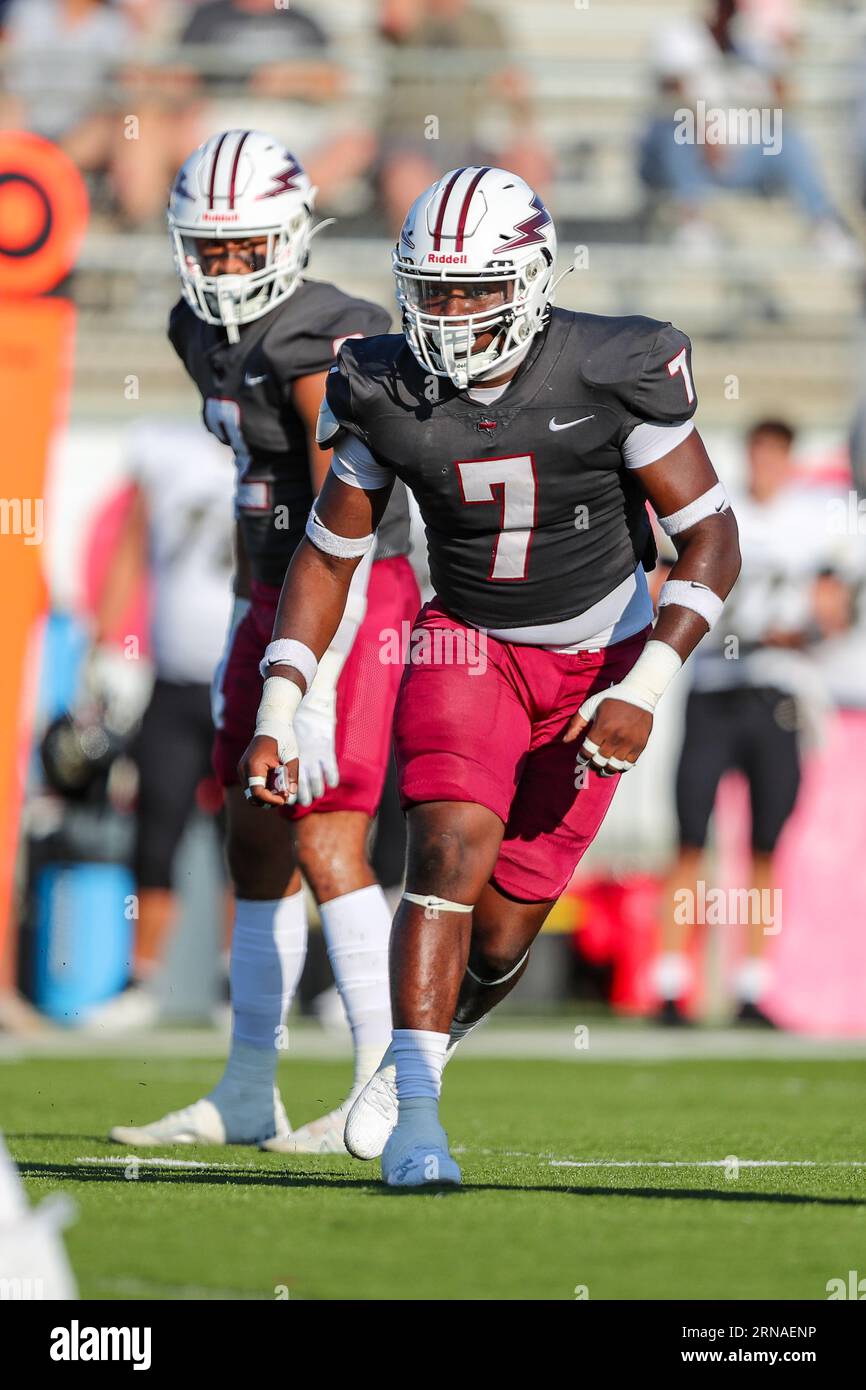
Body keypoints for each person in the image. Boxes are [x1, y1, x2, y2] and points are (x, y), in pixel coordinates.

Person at [240, 165, 742, 1186]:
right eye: (432, 287)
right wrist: (279, 700)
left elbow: (711, 539)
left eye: (474, 288)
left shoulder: (614, 363)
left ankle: (430, 1042)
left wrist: (643, 686)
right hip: (465, 640)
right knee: (445, 849)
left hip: (602, 654)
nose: (450, 312)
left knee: (507, 927)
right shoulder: (378, 381)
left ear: (532, 278)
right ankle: (418, 1114)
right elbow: (330, 553)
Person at [109, 130, 418, 1154]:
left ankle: (389, 1089)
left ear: (291, 237)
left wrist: (312, 682)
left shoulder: (325, 334)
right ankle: (249, 1084)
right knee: (256, 839)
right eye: (212, 246)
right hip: (261, 593)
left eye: (247, 248)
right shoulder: (192, 329)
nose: (227, 267)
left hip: (346, 594)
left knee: (329, 831)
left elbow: (352, 504)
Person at [653, 419, 840, 1026]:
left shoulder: (814, 519)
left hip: (776, 693)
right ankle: (671, 983)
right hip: (712, 689)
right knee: (689, 839)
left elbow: (836, 610)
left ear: (788, 459)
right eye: (759, 453)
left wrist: (798, 632)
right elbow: (660, 576)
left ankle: (753, 986)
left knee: (764, 845)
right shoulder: (718, 511)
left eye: (776, 455)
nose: (766, 465)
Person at [81, 421, 235, 1033]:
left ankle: (237, 985)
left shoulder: (284, 444)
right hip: (172, 680)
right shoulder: (165, 451)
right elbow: (130, 546)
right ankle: (142, 980)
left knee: (247, 839)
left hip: (250, 682)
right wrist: (104, 646)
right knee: (156, 830)